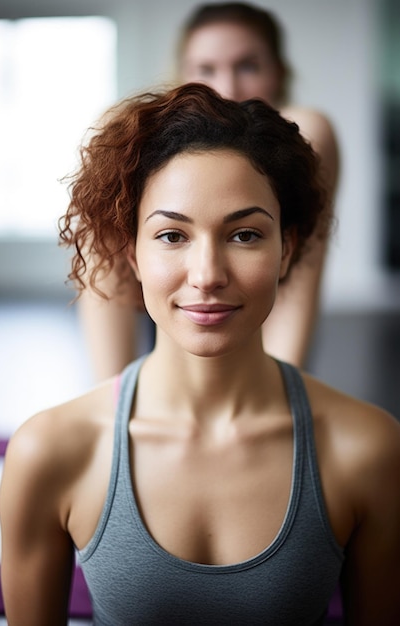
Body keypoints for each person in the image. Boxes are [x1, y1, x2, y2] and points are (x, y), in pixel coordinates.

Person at [0, 83, 400, 625]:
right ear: (130, 252)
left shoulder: (368, 451)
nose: (208, 275)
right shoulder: (49, 453)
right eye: (171, 235)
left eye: (244, 235)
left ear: (288, 247)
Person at [79, 2, 340, 380]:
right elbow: (103, 264)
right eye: (206, 69)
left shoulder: (307, 134)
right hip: (168, 331)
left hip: (269, 340)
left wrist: (286, 396)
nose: (227, 88)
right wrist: (111, 406)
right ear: (181, 78)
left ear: (279, 74)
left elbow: (304, 273)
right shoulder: (153, 146)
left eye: (247, 66)